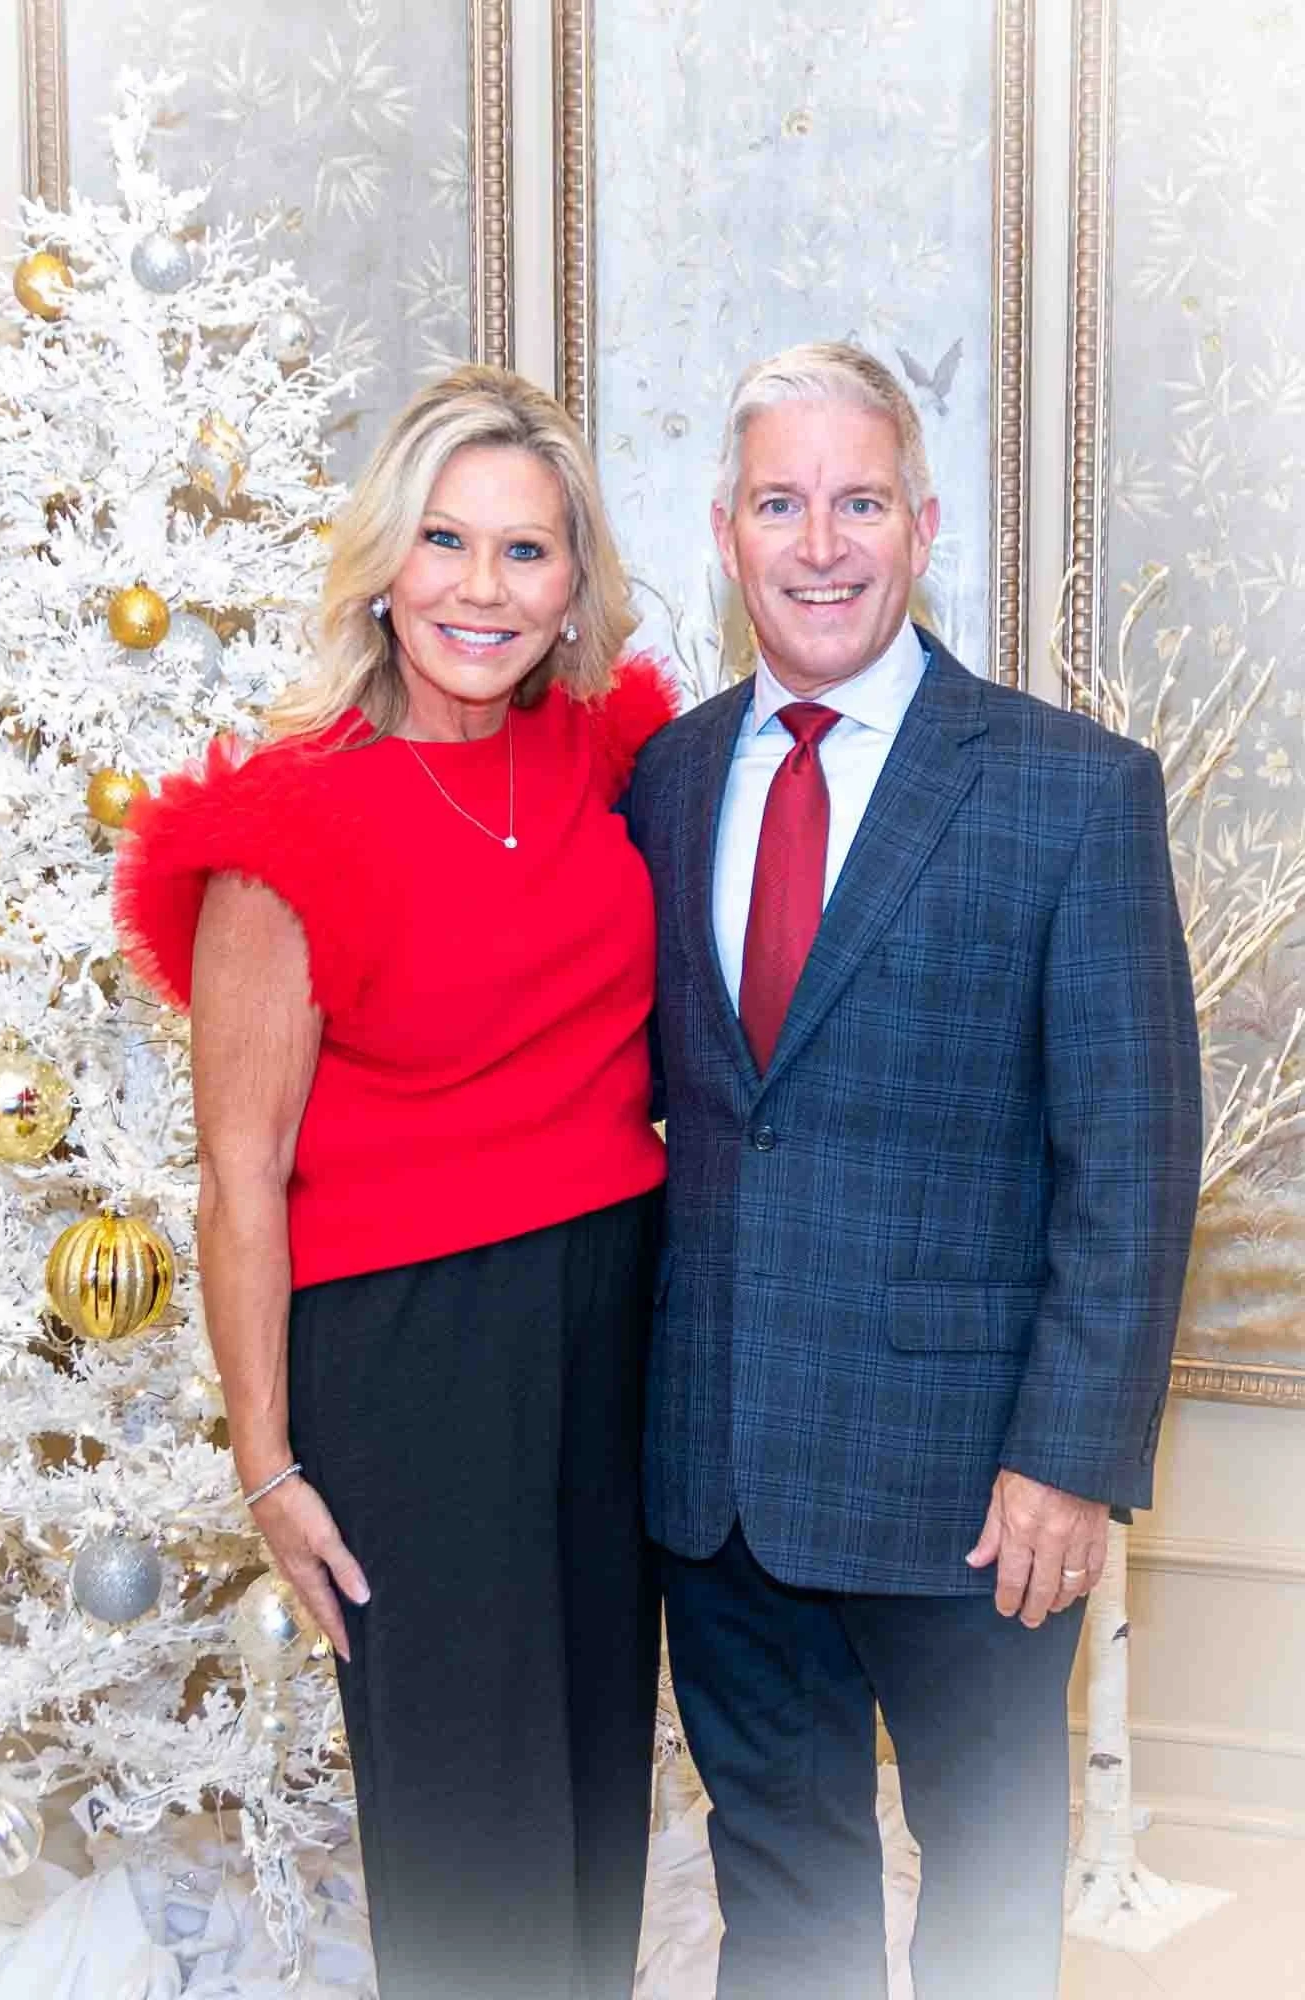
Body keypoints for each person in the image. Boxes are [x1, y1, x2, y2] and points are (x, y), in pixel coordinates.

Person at [622, 342, 1203, 2000]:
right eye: (784, 505)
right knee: (781, 1900)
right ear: (727, 532)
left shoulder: (1070, 792)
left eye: (858, 501)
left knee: (992, 1907)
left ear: (924, 523)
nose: (822, 545)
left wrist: (1071, 1460)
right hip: (722, 1477)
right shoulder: (664, 784)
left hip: (977, 1495)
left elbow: (1133, 1155)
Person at [114, 364, 677, 2000]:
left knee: (591, 1800)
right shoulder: (286, 828)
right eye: (445, 540)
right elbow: (236, 1185)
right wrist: (269, 1463)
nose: (480, 590)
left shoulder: (603, 762)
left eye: (525, 551)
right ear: (383, 561)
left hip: (611, 1321)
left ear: (576, 584)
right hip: (411, 1359)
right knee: (469, 1838)